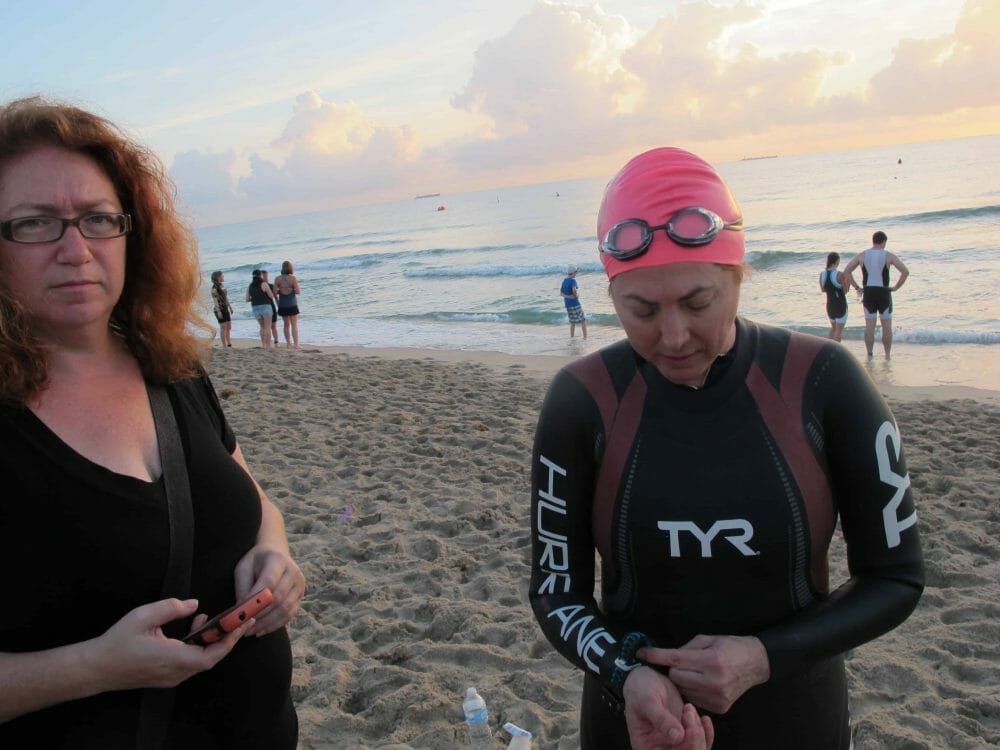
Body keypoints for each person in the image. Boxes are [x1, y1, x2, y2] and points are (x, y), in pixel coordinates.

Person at [529, 147, 924, 750]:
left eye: (697, 302)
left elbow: (896, 578)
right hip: (637, 721)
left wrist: (764, 657)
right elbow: (556, 590)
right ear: (611, 296)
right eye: (641, 310)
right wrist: (626, 673)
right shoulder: (581, 400)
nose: (674, 336)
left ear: (738, 276)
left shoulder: (824, 380)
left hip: (794, 715)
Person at [0, 96, 305, 748]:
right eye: (35, 224)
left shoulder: (171, 369)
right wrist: (94, 668)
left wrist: (274, 555)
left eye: (98, 219)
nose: (77, 249)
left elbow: (256, 502)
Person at [841, 231, 909, 358]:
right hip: (884, 292)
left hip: (869, 292)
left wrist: (857, 287)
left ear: (873, 241)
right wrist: (895, 287)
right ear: (884, 242)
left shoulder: (862, 255)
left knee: (870, 326)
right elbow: (905, 272)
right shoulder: (888, 256)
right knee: (887, 326)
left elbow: (847, 271)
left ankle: (869, 354)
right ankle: (887, 355)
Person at [818, 252, 849, 341]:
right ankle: (836, 350)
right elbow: (845, 291)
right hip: (840, 304)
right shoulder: (839, 274)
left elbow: (823, 290)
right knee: (839, 331)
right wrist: (847, 283)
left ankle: (829, 350)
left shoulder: (822, 274)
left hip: (830, 304)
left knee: (833, 328)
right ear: (836, 262)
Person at [246, 268, 276, 350]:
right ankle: (268, 346)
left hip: (255, 307)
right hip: (266, 306)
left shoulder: (250, 286)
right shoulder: (264, 284)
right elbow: (271, 296)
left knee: (262, 327)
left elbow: (247, 299)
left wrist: (255, 297)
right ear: (260, 275)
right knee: (268, 327)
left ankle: (263, 345)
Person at [274, 260, 301, 348]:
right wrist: (291, 289)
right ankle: (296, 344)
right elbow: (298, 292)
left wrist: (281, 291)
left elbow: (274, 293)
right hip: (292, 304)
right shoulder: (293, 278)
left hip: (282, 305)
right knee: (294, 324)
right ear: (290, 268)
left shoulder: (277, 279)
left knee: (286, 324)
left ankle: (288, 343)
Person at [561, 265, 587, 339]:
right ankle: (585, 337)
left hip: (568, 304)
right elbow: (574, 290)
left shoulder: (565, 280)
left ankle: (572, 337)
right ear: (572, 273)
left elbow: (561, 294)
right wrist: (576, 296)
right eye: (575, 272)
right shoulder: (573, 281)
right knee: (583, 320)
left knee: (572, 322)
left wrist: (569, 297)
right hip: (575, 303)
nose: (576, 274)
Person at [210, 270, 234, 347]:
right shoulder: (214, 288)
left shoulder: (222, 285)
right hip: (219, 309)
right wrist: (219, 311)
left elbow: (225, 297)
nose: (223, 277)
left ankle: (229, 343)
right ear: (218, 277)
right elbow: (215, 301)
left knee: (229, 326)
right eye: (222, 276)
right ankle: (224, 345)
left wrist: (230, 307)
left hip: (225, 308)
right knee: (223, 327)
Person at [260, 269, 280, 347]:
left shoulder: (271, 286)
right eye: (264, 276)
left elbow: (275, 297)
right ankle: (265, 343)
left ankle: (276, 342)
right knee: (265, 327)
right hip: (263, 308)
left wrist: (279, 306)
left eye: (267, 276)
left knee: (273, 326)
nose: (266, 278)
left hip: (272, 307)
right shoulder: (259, 287)